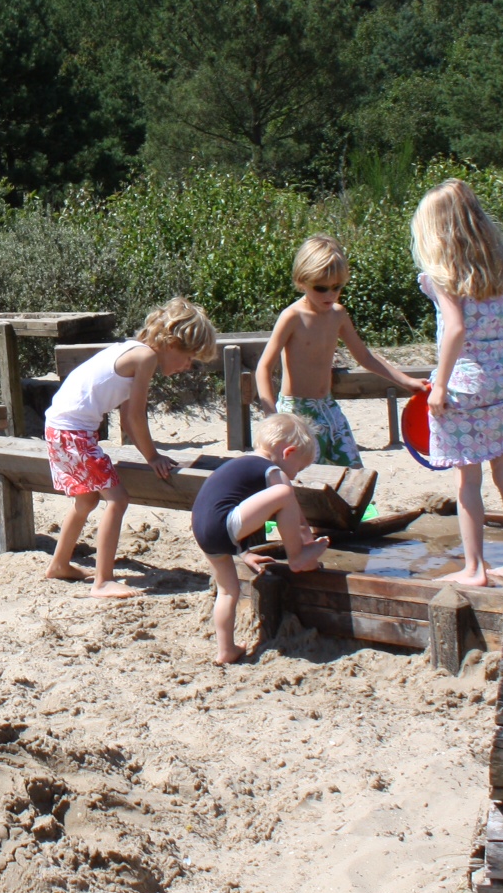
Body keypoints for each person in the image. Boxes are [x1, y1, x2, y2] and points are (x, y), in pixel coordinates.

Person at [413, 179, 503, 588]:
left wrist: (439, 384)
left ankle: (474, 569)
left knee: (467, 480)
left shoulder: (444, 274)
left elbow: (455, 330)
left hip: (465, 384)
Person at [42, 297, 220, 599]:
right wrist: (152, 457)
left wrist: (149, 453)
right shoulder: (146, 357)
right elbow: (135, 416)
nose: (187, 366)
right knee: (118, 500)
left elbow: (126, 416)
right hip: (74, 433)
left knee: (86, 501)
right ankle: (102, 581)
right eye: (189, 357)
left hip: (58, 428)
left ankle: (59, 564)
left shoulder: (130, 350)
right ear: (172, 343)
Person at [255, 235, 428, 468]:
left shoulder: (338, 315)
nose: (330, 295)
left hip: (328, 407)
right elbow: (264, 368)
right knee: (305, 476)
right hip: (297, 410)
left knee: (352, 472)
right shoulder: (293, 317)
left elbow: (364, 356)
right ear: (301, 282)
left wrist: (406, 381)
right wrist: (272, 417)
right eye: (321, 288)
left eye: (337, 287)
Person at [189, 413, 329, 664]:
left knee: (228, 591)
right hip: (223, 526)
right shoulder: (273, 471)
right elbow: (293, 509)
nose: (296, 475)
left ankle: (226, 650)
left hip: (204, 531)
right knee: (284, 493)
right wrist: (306, 543)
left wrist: (244, 552)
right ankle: (296, 557)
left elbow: (226, 509)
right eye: (300, 467)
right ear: (289, 452)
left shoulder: (239, 465)